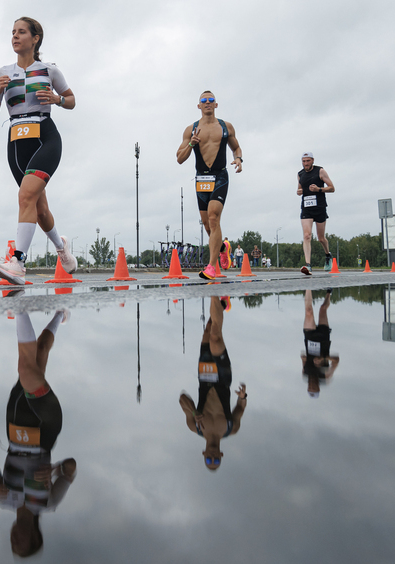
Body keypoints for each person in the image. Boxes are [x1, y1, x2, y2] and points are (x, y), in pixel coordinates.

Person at [0, 17, 77, 285]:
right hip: (16, 142)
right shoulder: (2, 73)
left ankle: (17, 262)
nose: (15, 36)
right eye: (13, 32)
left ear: (35, 39)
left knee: (25, 195)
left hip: (45, 137)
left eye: (21, 32)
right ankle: (60, 246)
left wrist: (58, 99)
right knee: (38, 208)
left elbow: (72, 100)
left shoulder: (49, 70)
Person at [0, 310, 76, 557]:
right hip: (46, 430)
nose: (13, 539)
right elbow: (71, 468)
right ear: (35, 537)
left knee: (39, 354)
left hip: (15, 427)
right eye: (20, 543)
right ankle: (19, 306)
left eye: (11, 543)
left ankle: (61, 315)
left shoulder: (1, 499)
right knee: (26, 368)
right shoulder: (49, 503)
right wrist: (55, 469)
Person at [177, 91, 243, 279]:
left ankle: (211, 267)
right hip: (201, 179)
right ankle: (223, 248)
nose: (208, 102)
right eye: (204, 100)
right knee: (207, 225)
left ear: (216, 104)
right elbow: (179, 158)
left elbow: (236, 147)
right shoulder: (191, 130)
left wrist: (238, 158)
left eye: (211, 100)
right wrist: (191, 144)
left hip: (220, 176)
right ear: (199, 105)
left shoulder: (225, 127)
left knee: (214, 218)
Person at [179, 296, 247, 471]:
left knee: (209, 329)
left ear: (203, 454)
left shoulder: (195, 427)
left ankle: (223, 303)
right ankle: (214, 289)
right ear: (221, 455)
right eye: (216, 460)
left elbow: (182, 398)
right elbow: (240, 409)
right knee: (215, 337)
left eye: (209, 460)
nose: (212, 457)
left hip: (205, 375)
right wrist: (242, 396)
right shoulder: (231, 429)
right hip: (223, 379)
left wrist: (194, 412)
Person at [297, 152, 335, 275]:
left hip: (319, 207)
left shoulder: (320, 171)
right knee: (307, 235)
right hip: (306, 208)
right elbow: (300, 188)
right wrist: (299, 191)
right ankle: (308, 265)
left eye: (308, 161)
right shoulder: (300, 174)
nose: (306, 163)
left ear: (312, 160)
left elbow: (332, 188)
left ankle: (328, 255)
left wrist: (319, 189)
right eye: (304, 161)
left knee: (321, 238)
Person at [301, 289, 340, 397]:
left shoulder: (305, 374)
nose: (311, 384)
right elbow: (336, 360)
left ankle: (308, 287)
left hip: (310, 338)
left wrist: (304, 358)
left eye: (309, 387)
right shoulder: (325, 376)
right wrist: (323, 358)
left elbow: (303, 358)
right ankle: (329, 292)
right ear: (318, 388)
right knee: (323, 309)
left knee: (309, 311)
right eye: (314, 387)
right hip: (323, 339)